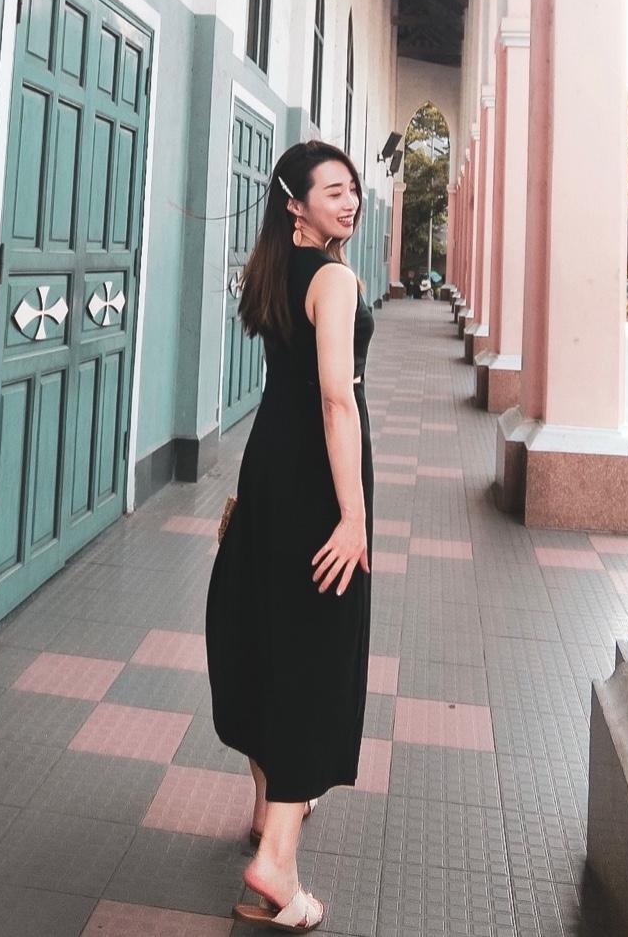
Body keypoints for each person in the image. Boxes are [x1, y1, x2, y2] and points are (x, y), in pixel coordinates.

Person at [206, 140, 374, 931]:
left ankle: (266, 806)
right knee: (315, 651)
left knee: (272, 634)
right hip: (315, 478)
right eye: (333, 190)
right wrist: (354, 515)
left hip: (268, 469)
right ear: (295, 203)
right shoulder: (335, 280)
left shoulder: (271, 272)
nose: (350, 201)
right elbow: (337, 400)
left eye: (353, 188)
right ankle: (277, 861)